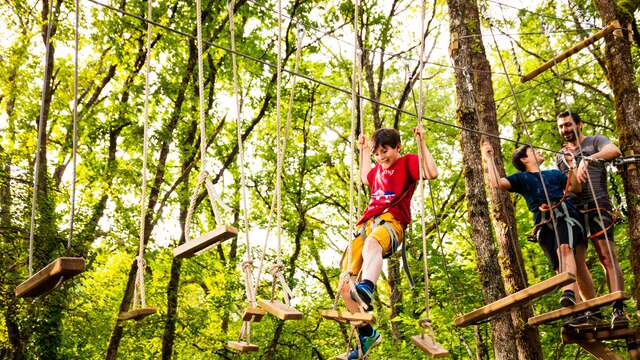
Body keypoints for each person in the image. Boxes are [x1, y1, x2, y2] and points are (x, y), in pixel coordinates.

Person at [341, 125, 438, 359]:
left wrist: (422, 141)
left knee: (373, 244)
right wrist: (364, 150)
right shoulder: (377, 171)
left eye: (385, 151)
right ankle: (367, 336)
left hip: (391, 222)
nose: (381, 157)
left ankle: (368, 288)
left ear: (398, 147)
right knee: (345, 286)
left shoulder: (407, 162)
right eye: (378, 153)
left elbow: (431, 172)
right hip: (366, 225)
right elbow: (365, 176)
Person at [482, 142, 596, 309]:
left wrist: (572, 167)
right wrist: (488, 158)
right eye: (533, 151)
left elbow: (576, 188)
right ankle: (578, 312)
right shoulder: (521, 178)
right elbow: (496, 183)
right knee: (561, 268)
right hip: (543, 224)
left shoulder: (554, 174)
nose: (538, 151)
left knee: (564, 249)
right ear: (525, 159)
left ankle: (573, 296)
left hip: (565, 216)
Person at [555, 111, 626, 324]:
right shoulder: (560, 155)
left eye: (568, 125)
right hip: (574, 210)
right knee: (576, 261)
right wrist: (571, 166)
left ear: (579, 124)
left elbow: (614, 150)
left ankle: (618, 308)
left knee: (607, 256)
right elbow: (572, 186)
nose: (565, 130)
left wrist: (588, 159)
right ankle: (593, 309)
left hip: (598, 205)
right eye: (561, 126)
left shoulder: (595, 141)